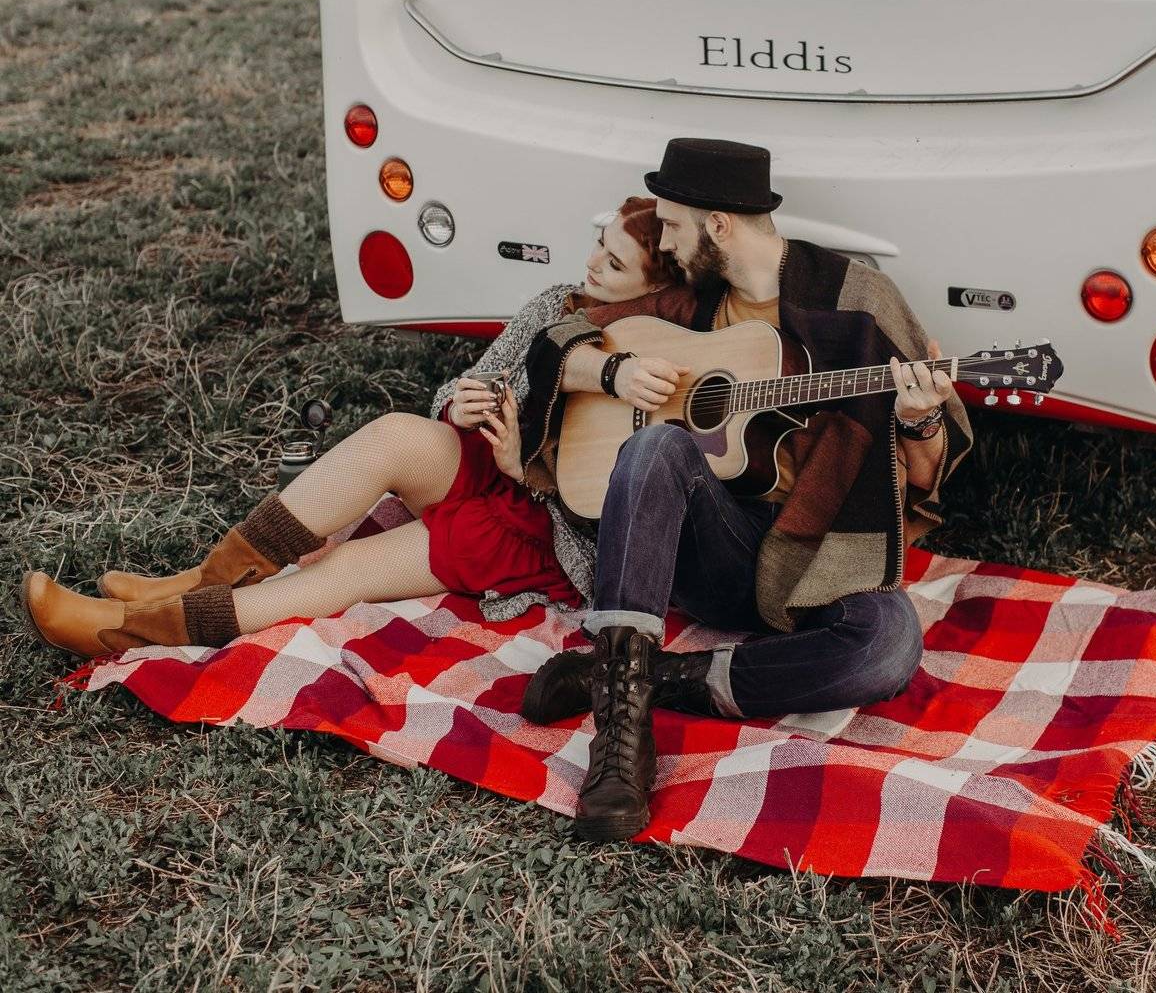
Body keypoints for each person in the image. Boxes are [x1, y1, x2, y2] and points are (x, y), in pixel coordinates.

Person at [517, 139, 974, 841]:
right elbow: (558, 340)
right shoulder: (687, 303)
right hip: (710, 551)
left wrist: (919, 417)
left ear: (719, 225)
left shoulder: (856, 299)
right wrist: (613, 375)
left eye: (673, 225)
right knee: (657, 444)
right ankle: (620, 747)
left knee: (888, 643)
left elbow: (923, 475)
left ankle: (635, 675)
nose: (667, 242)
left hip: (818, 556)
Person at [21, 197, 693, 659]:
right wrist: (458, 405)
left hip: (540, 525)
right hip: (484, 462)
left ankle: (129, 631)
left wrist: (525, 469)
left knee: (344, 568)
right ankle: (202, 579)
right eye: (598, 245)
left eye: (613, 264)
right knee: (396, 432)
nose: (591, 265)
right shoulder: (556, 302)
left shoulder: (669, 356)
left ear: (654, 289)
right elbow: (462, 386)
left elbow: (616, 520)